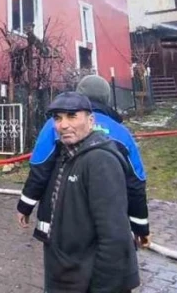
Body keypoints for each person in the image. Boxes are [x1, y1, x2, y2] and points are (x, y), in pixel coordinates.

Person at [17, 75, 149, 249]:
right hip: (107, 227)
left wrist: (25, 207)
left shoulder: (54, 126)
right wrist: (140, 226)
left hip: (60, 226)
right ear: (107, 99)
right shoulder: (122, 133)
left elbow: (39, 167)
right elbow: (136, 182)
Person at [37, 92, 139, 292]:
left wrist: (102, 287)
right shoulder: (67, 154)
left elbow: (113, 237)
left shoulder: (100, 161)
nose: (63, 125)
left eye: (72, 116)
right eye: (57, 118)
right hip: (68, 275)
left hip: (88, 281)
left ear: (91, 121)